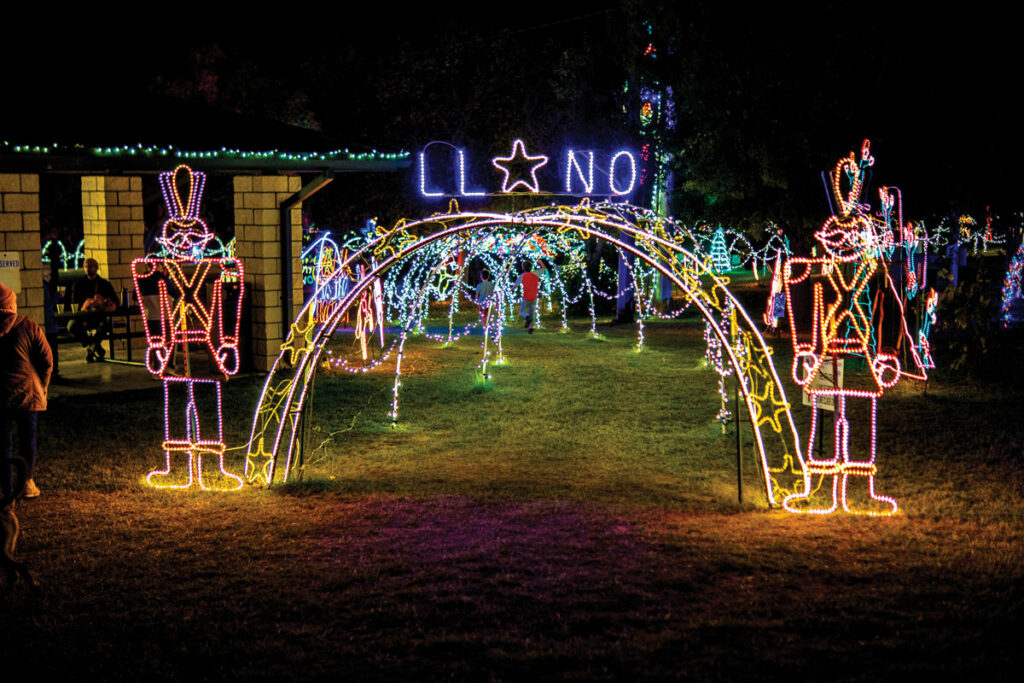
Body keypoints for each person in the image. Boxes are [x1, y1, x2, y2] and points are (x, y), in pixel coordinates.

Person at [0, 282, 53, 499]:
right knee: (27, 438)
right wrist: (43, 385)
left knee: (3, 443)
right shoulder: (29, 326)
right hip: (28, 395)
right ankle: (27, 482)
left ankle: (5, 487)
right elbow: (47, 360)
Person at [69, 257, 119, 362]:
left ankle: (91, 348)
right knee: (72, 326)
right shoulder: (79, 284)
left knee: (106, 323)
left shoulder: (104, 284)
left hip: (100, 316)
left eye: (91, 266)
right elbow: (74, 302)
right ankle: (94, 346)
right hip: (84, 316)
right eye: (86, 266)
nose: (88, 269)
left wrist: (104, 302)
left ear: (96, 268)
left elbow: (115, 301)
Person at [516, 260, 545, 334]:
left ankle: (527, 317)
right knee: (532, 312)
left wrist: (511, 289)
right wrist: (540, 262)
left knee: (522, 311)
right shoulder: (536, 273)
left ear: (523, 268)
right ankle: (531, 328)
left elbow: (515, 285)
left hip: (526, 297)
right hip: (534, 297)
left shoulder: (522, 276)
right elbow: (544, 268)